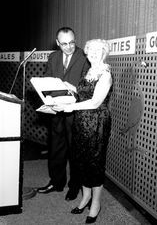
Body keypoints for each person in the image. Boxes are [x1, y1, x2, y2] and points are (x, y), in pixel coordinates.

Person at [53, 39, 112, 224]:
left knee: (94, 163)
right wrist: (67, 86)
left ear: (104, 52)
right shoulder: (90, 71)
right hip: (81, 122)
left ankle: (95, 203)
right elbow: (83, 92)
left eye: (98, 50)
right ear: (86, 52)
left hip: (96, 123)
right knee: (81, 161)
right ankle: (85, 198)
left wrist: (71, 107)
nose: (93, 53)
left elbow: (95, 102)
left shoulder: (105, 74)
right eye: (90, 50)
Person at [36, 27, 90, 201]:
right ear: (58, 43)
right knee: (56, 149)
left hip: (75, 112)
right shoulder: (53, 57)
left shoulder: (84, 56)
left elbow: (87, 87)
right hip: (56, 112)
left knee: (75, 151)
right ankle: (56, 182)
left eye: (72, 42)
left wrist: (73, 94)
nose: (69, 47)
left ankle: (74, 186)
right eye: (64, 44)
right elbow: (47, 80)